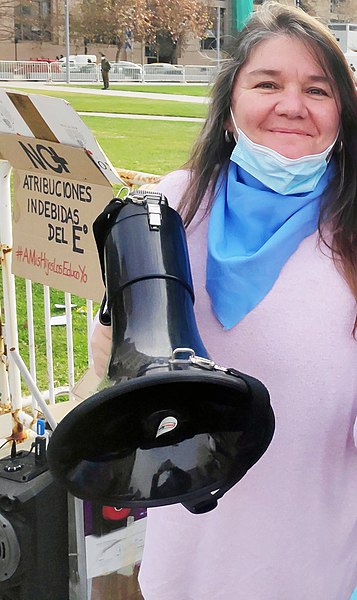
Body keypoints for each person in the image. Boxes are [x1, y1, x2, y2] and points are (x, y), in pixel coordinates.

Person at [90, 2, 357, 599]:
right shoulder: (174, 207)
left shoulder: (352, 229)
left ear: (341, 113)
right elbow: (119, 362)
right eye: (268, 83)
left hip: (312, 565)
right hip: (187, 560)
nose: (292, 104)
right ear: (232, 104)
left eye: (317, 89)